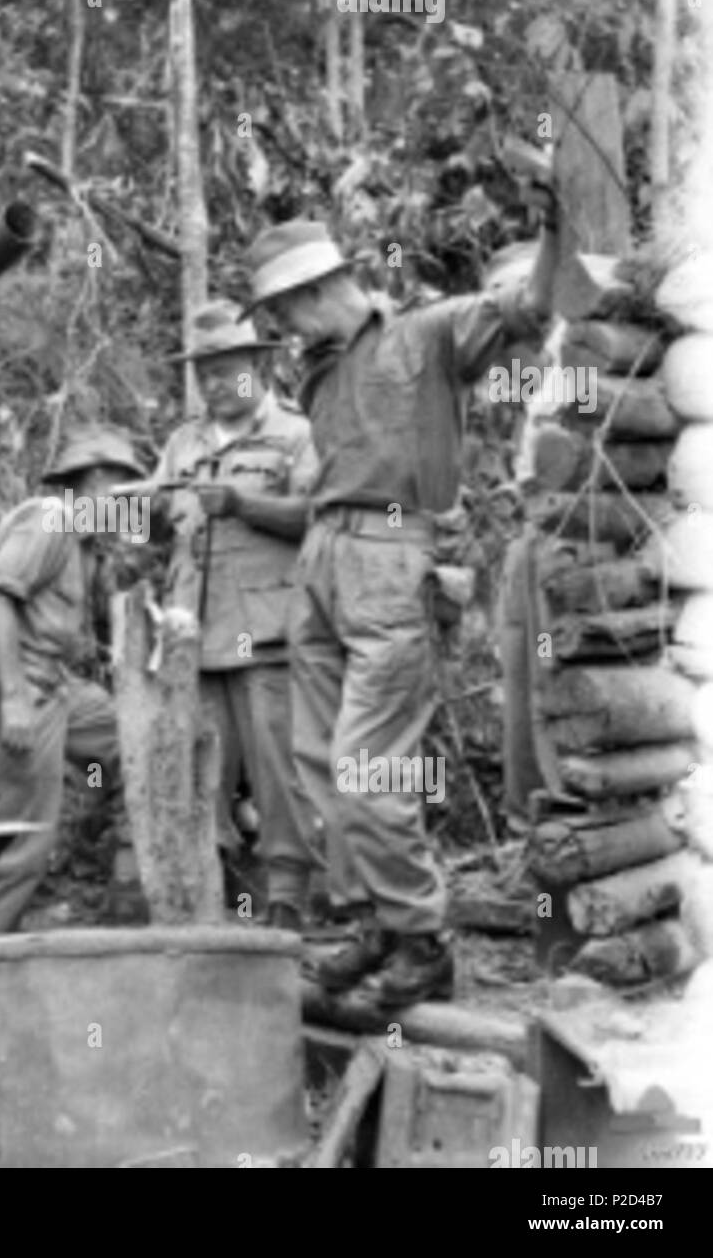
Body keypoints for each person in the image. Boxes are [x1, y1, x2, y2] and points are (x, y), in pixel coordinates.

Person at [246, 190, 559, 1006]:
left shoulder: (429, 333)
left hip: (390, 556)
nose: (280, 327)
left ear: (315, 290)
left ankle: (423, 940)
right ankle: (374, 925)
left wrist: (555, 225)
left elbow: (530, 305)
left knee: (366, 768)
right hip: (321, 556)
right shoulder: (318, 369)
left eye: (282, 310)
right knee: (320, 764)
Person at [147, 299, 323, 930]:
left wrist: (244, 505)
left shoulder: (296, 434)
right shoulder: (183, 442)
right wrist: (139, 515)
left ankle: (289, 900)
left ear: (258, 368)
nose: (214, 384)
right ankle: (206, 898)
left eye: (225, 370)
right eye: (204, 373)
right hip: (191, 635)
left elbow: (320, 517)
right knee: (199, 771)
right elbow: (159, 520)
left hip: (264, 632)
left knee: (279, 771)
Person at [0, 425, 142, 935]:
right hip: (9, 684)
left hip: (54, 685)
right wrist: (13, 698)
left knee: (138, 739)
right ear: (96, 480)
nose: (131, 504)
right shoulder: (50, 519)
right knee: (20, 844)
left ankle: (130, 886)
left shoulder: (86, 543)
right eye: (124, 490)